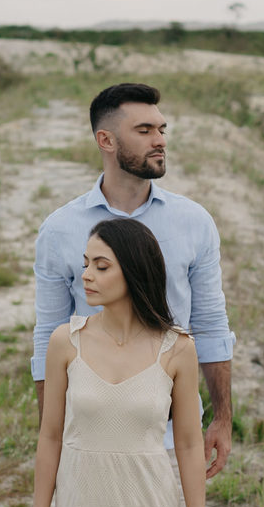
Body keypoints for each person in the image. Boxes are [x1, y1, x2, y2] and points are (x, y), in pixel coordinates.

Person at [30, 218, 220, 507]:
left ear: (132, 271)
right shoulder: (65, 342)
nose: (86, 276)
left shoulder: (177, 349)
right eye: (85, 265)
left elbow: (191, 444)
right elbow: (50, 436)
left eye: (101, 266)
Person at [32, 82, 235, 480]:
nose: (159, 141)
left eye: (162, 129)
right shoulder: (60, 230)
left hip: (175, 432)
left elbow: (211, 325)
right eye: (144, 131)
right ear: (105, 140)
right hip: (91, 432)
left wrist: (223, 419)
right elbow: (49, 337)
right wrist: (50, 435)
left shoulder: (194, 222)